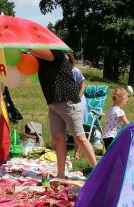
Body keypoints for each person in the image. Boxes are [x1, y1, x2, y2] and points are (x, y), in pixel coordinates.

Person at [28, 49, 97, 179]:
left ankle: (98, 171)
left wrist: (26, 44)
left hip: (68, 101)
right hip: (53, 103)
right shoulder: (40, 58)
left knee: (79, 138)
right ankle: (60, 175)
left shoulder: (57, 53)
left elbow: (36, 52)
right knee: (58, 139)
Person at [66, 52, 88, 160]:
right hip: (65, 101)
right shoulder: (59, 72)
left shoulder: (75, 71)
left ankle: (77, 152)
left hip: (78, 101)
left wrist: (77, 99)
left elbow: (82, 86)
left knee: (77, 128)